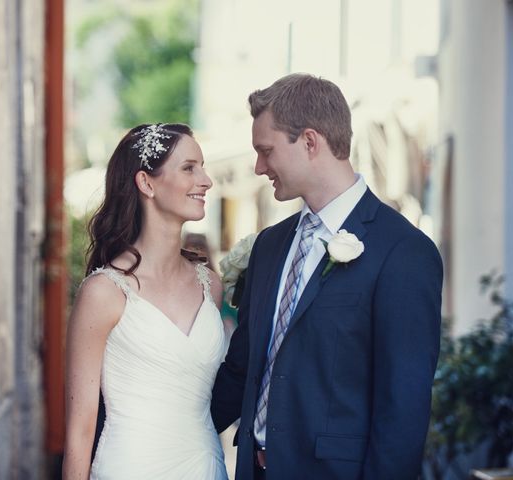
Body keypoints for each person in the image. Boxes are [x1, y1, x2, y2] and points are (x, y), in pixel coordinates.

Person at [210, 74, 443, 479]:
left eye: (266, 151)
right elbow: (241, 369)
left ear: (310, 142)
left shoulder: (404, 252)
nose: (259, 166)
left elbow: (402, 410)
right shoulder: (268, 246)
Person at [63, 123, 228, 480]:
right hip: (130, 467)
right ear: (146, 183)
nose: (206, 180)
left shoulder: (210, 285)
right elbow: (79, 433)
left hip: (205, 466)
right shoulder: (104, 292)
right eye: (189, 168)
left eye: (202, 166)